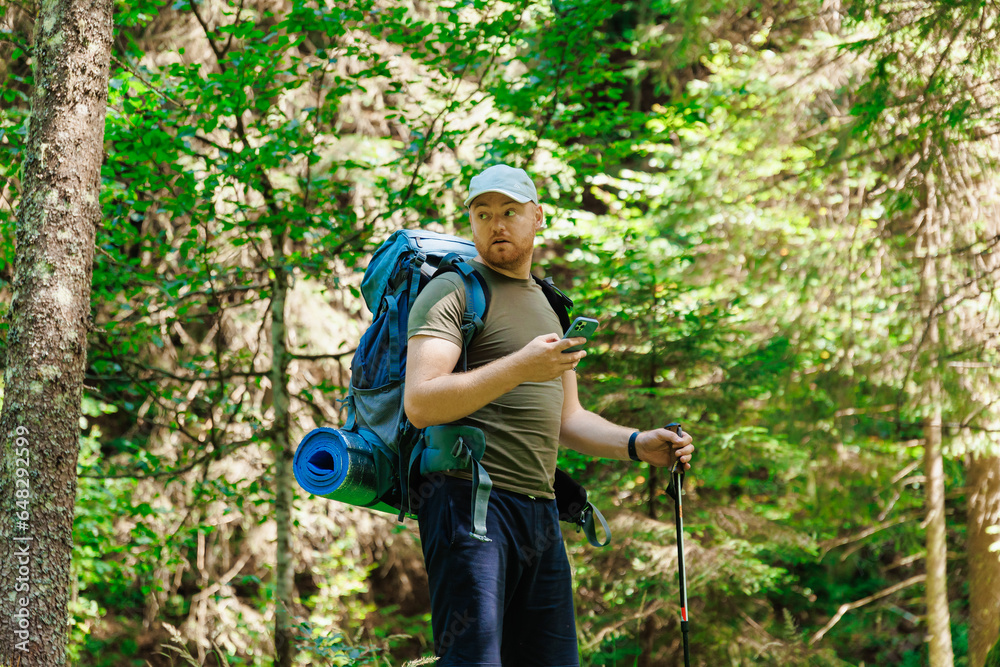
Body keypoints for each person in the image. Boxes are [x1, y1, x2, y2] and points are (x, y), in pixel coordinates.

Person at [403, 164, 695, 666]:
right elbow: (422, 402)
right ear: (470, 221)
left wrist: (636, 442)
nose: (496, 223)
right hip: (469, 503)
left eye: (509, 212)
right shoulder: (453, 291)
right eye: (483, 213)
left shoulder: (550, 306)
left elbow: (569, 418)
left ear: (537, 218)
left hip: (539, 511)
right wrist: (521, 366)